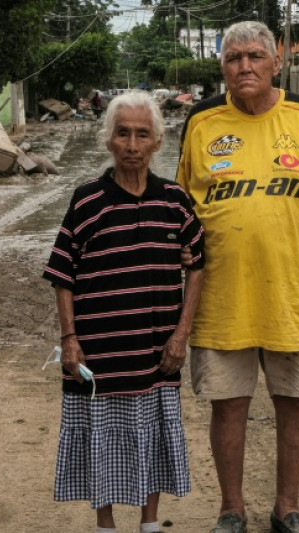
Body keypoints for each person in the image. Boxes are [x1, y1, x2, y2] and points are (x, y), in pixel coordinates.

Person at [176, 20, 299, 533]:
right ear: (221, 66)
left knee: (296, 401)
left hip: (294, 292)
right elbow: (181, 212)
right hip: (222, 295)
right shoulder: (203, 122)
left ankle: (287, 508)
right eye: (233, 58)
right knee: (228, 406)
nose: (244, 66)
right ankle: (232, 509)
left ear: (277, 63)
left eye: (254, 56)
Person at [43, 91, 205, 533]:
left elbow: (199, 265)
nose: (132, 144)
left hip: (157, 351)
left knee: (151, 436)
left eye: (142, 135)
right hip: (100, 354)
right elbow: (62, 275)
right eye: (123, 134)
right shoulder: (86, 201)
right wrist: (69, 340)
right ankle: (106, 524)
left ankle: (150, 523)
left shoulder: (174, 201)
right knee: (103, 439)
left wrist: (181, 334)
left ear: (157, 142)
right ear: (108, 140)